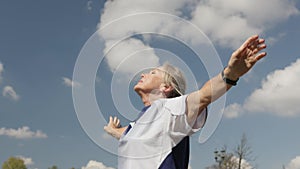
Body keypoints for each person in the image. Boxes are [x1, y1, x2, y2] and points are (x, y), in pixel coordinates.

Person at [104, 35, 267, 169]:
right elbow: (129, 134)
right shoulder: (140, 123)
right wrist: (113, 131)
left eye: (152, 73)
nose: (143, 75)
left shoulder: (169, 109)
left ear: (166, 87)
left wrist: (230, 75)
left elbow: (203, 96)